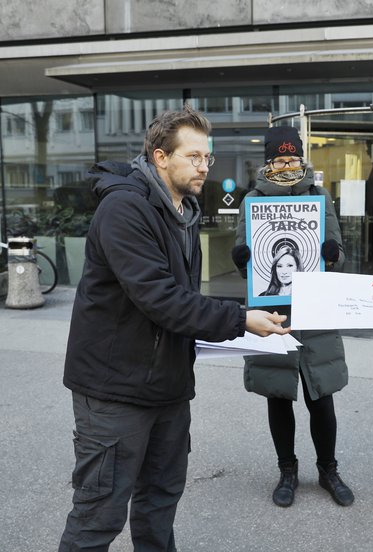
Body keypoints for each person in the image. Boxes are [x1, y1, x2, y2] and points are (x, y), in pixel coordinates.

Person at [59, 104, 289, 551]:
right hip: (114, 391)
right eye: (194, 156)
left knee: (159, 504)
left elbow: (180, 299)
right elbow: (160, 298)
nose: (205, 166)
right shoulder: (124, 209)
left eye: (208, 157)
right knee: (98, 516)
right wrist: (239, 318)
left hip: (167, 385)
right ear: (161, 157)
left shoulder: (183, 209)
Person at [231, 125, 355, 508]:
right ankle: (287, 470)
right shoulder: (252, 201)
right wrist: (242, 259)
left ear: (301, 158)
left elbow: (338, 257)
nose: (287, 164)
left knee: (322, 397)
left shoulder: (319, 197)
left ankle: (328, 469)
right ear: (269, 162)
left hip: (315, 312)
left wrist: (333, 253)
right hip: (271, 315)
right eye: (280, 158)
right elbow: (246, 260)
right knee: (278, 395)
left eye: (292, 157)